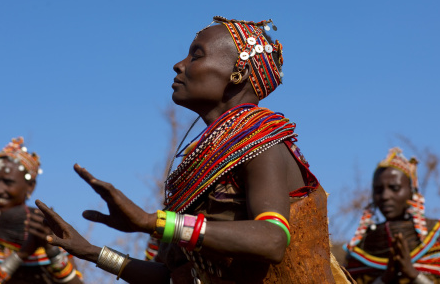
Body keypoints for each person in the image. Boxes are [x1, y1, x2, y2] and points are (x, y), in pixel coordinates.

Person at [34, 16, 349, 283]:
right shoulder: (212, 156)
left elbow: (273, 240)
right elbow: (175, 277)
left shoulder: (261, 145)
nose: (179, 65)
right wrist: (92, 252)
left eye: (196, 55)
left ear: (237, 74)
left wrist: (154, 222)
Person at [0, 137, 83, 284]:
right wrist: (21, 255)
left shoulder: (45, 226)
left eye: (8, 182)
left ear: (30, 186)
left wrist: (51, 249)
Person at [343, 148, 440, 284]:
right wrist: (385, 279)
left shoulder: (437, 239)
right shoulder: (361, 246)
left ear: (411, 191)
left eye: (394, 188)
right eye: (378, 190)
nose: (385, 196)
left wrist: (413, 274)